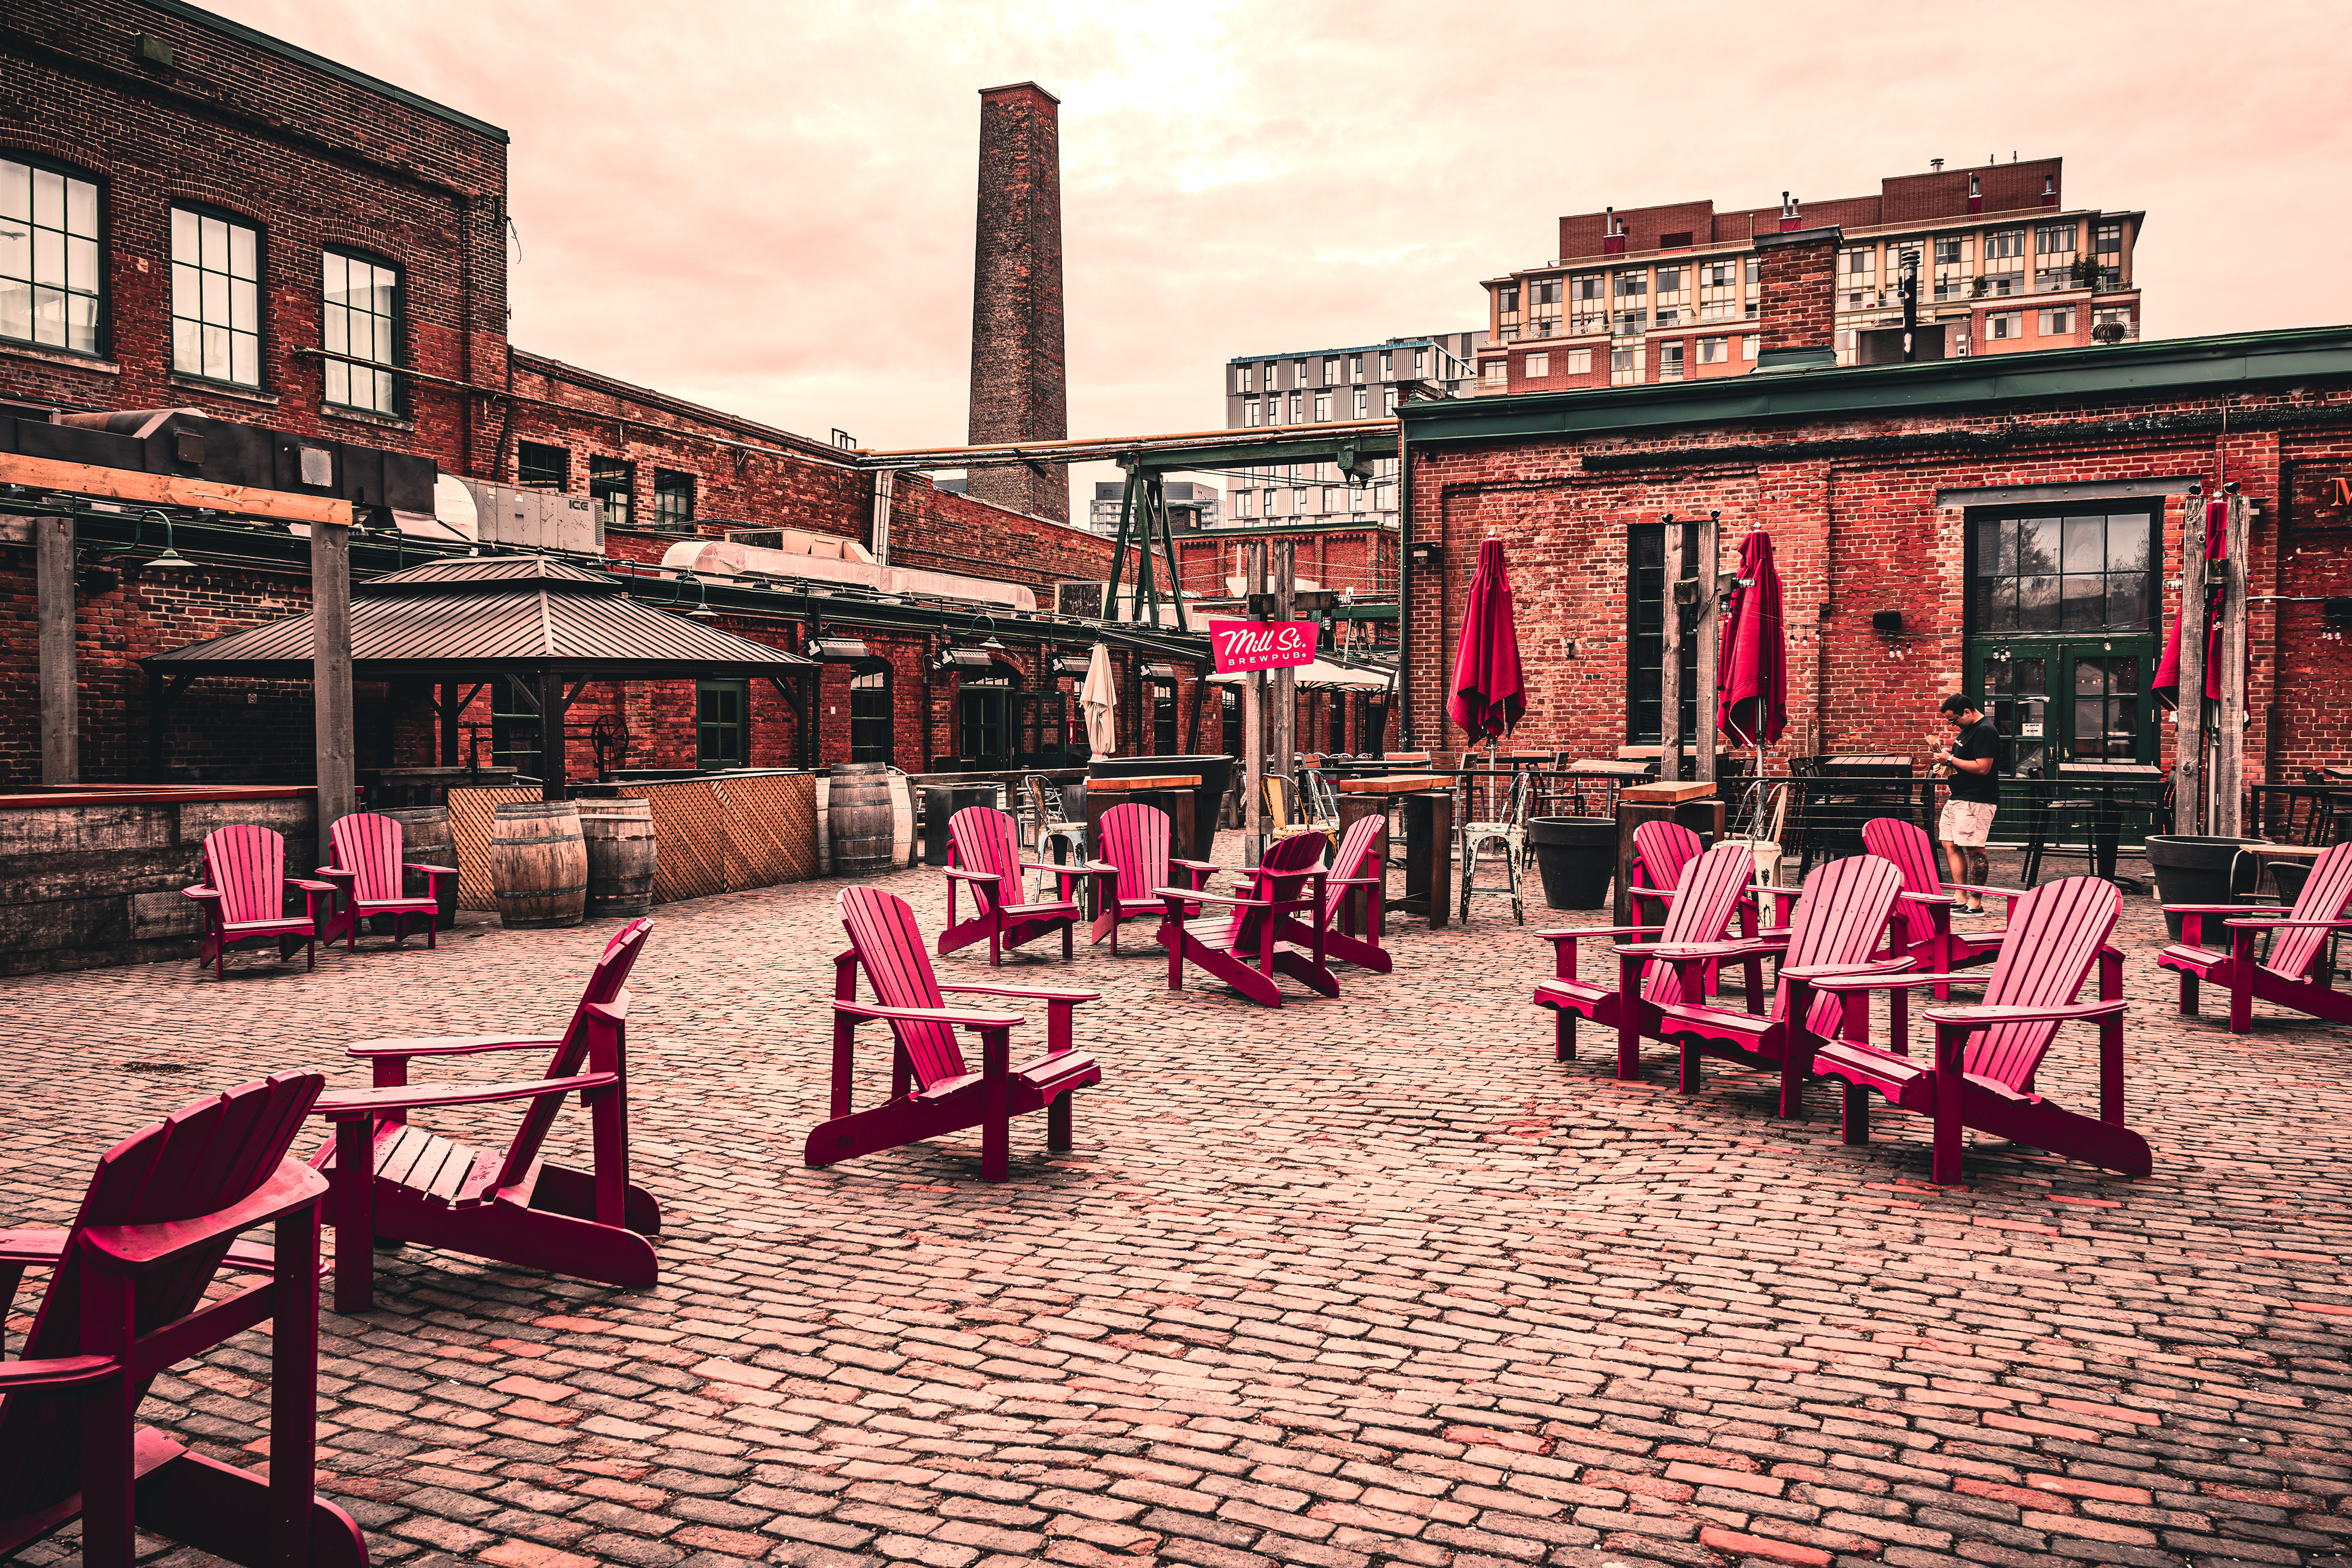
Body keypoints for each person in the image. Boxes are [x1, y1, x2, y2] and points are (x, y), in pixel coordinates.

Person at [1931, 693, 2001, 912]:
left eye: (1954, 720)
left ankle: (1976, 902)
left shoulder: (1985, 731)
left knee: (1975, 850)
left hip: (1976, 800)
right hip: (1959, 797)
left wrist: (1950, 760)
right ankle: (1960, 895)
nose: (1952, 725)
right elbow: (1968, 758)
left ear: (1967, 712)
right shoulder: (1969, 729)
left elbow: (1983, 767)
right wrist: (1949, 756)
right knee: (1949, 844)